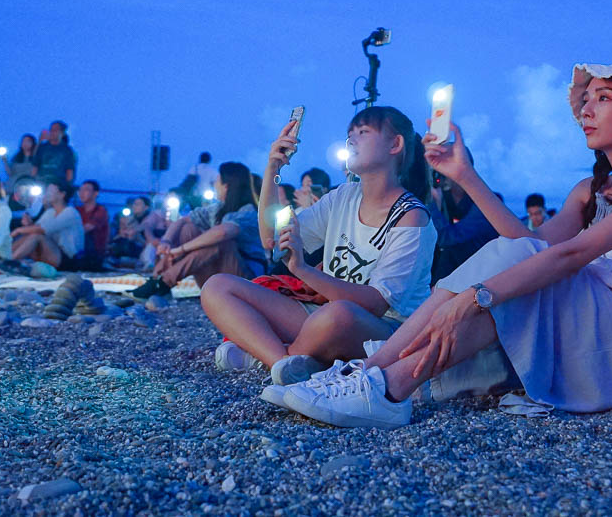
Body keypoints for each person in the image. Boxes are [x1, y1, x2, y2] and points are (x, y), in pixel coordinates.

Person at [271, 59, 612, 430]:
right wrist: (463, 174)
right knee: (518, 262)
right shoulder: (589, 190)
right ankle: (369, 374)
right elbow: (529, 243)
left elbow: (572, 254)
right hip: (607, 329)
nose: (586, 110)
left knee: (508, 281)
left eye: (604, 99)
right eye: (587, 99)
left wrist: (476, 298)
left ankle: (387, 388)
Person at [199, 106, 435, 390]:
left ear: (395, 144)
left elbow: (375, 303)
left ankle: (270, 355)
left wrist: (302, 269)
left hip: (384, 329)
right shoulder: (343, 196)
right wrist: (273, 169)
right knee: (217, 287)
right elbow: (271, 239)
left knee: (339, 315)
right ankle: (282, 363)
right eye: (349, 136)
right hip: (324, 318)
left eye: (362, 133)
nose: (352, 142)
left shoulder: (410, 215)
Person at [132, 162, 268, 298]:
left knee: (220, 242)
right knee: (188, 229)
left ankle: (163, 282)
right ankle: (158, 280)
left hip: (248, 282)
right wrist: (166, 242)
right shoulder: (217, 209)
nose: (214, 184)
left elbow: (223, 233)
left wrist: (180, 250)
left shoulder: (249, 212)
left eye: (217, 181)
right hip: (215, 278)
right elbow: (182, 220)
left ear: (226, 186)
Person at [430, 167, 499, 283]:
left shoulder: (487, 202)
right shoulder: (447, 199)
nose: (441, 180)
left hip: (485, 274)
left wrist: (431, 204)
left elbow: (448, 238)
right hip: (461, 271)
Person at [11, 181, 84, 270]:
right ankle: (4, 256)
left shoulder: (70, 212)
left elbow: (42, 230)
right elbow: (36, 228)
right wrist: (29, 224)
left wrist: (18, 230)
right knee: (30, 235)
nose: (47, 194)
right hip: (52, 253)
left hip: (68, 259)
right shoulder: (50, 212)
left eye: (50, 191)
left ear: (62, 194)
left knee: (36, 236)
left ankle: (11, 261)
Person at [74, 179, 110, 269]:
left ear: (95, 193)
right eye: (80, 190)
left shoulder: (101, 210)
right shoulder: (77, 210)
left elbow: (87, 228)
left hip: (93, 252)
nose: (82, 193)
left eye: (86, 190)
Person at [32, 120, 75, 186]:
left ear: (62, 133)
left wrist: (68, 185)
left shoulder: (67, 150)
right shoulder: (42, 148)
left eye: (55, 130)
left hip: (58, 183)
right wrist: (31, 180)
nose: (52, 132)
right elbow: (35, 165)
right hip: (41, 182)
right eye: (51, 130)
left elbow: (69, 170)